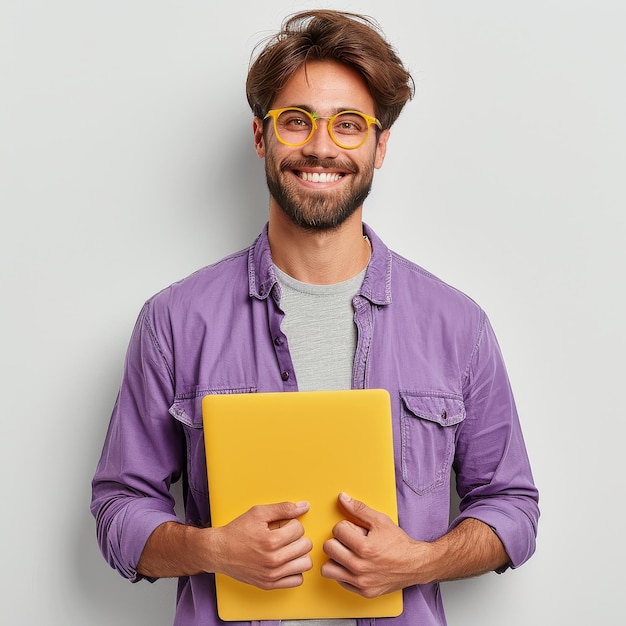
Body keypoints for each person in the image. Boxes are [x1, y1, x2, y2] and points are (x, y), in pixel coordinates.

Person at [91, 9, 539, 626]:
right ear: (260, 137)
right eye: (296, 121)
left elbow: (512, 507)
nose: (322, 147)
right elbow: (119, 508)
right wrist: (211, 549)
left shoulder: (457, 325)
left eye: (349, 125)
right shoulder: (173, 322)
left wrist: (418, 561)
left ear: (381, 145)